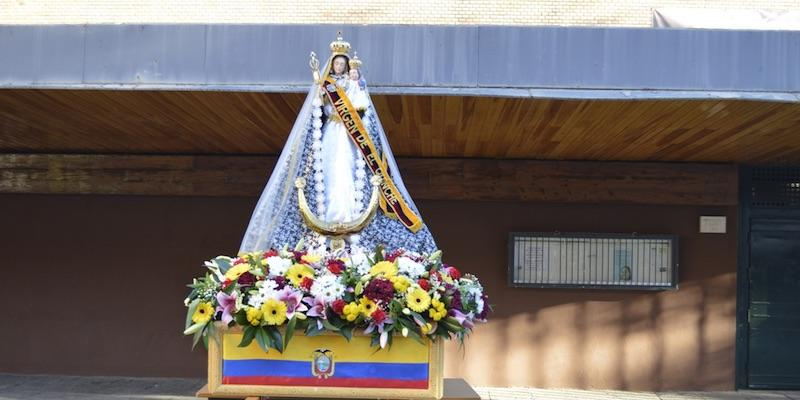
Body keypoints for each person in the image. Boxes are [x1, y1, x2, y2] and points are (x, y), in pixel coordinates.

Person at [240, 35, 437, 254]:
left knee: (348, 168)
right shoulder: (327, 84)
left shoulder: (352, 83)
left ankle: (348, 218)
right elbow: (319, 107)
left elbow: (361, 105)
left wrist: (357, 86)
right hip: (332, 131)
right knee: (329, 168)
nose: (340, 67)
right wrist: (320, 89)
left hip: (351, 137)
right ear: (333, 65)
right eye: (338, 64)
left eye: (343, 64)